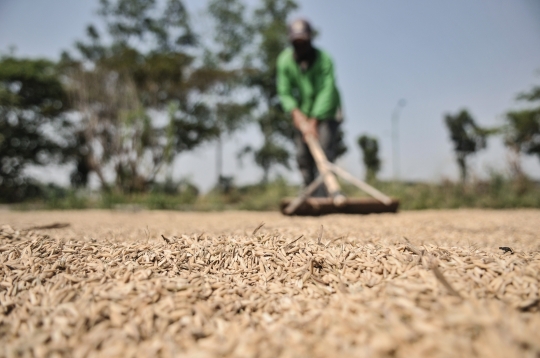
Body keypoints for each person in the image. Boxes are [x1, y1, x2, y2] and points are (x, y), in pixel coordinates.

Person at [276, 18, 343, 197]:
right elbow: (284, 91)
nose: (300, 46)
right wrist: (296, 113)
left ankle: (326, 195)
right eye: (296, 43)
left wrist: (315, 120)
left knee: (324, 149)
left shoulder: (324, 59)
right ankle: (308, 192)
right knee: (302, 154)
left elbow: (327, 90)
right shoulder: (284, 61)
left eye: (303, 42)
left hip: (327, 112)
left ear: (310, 40)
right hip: (302, 113)